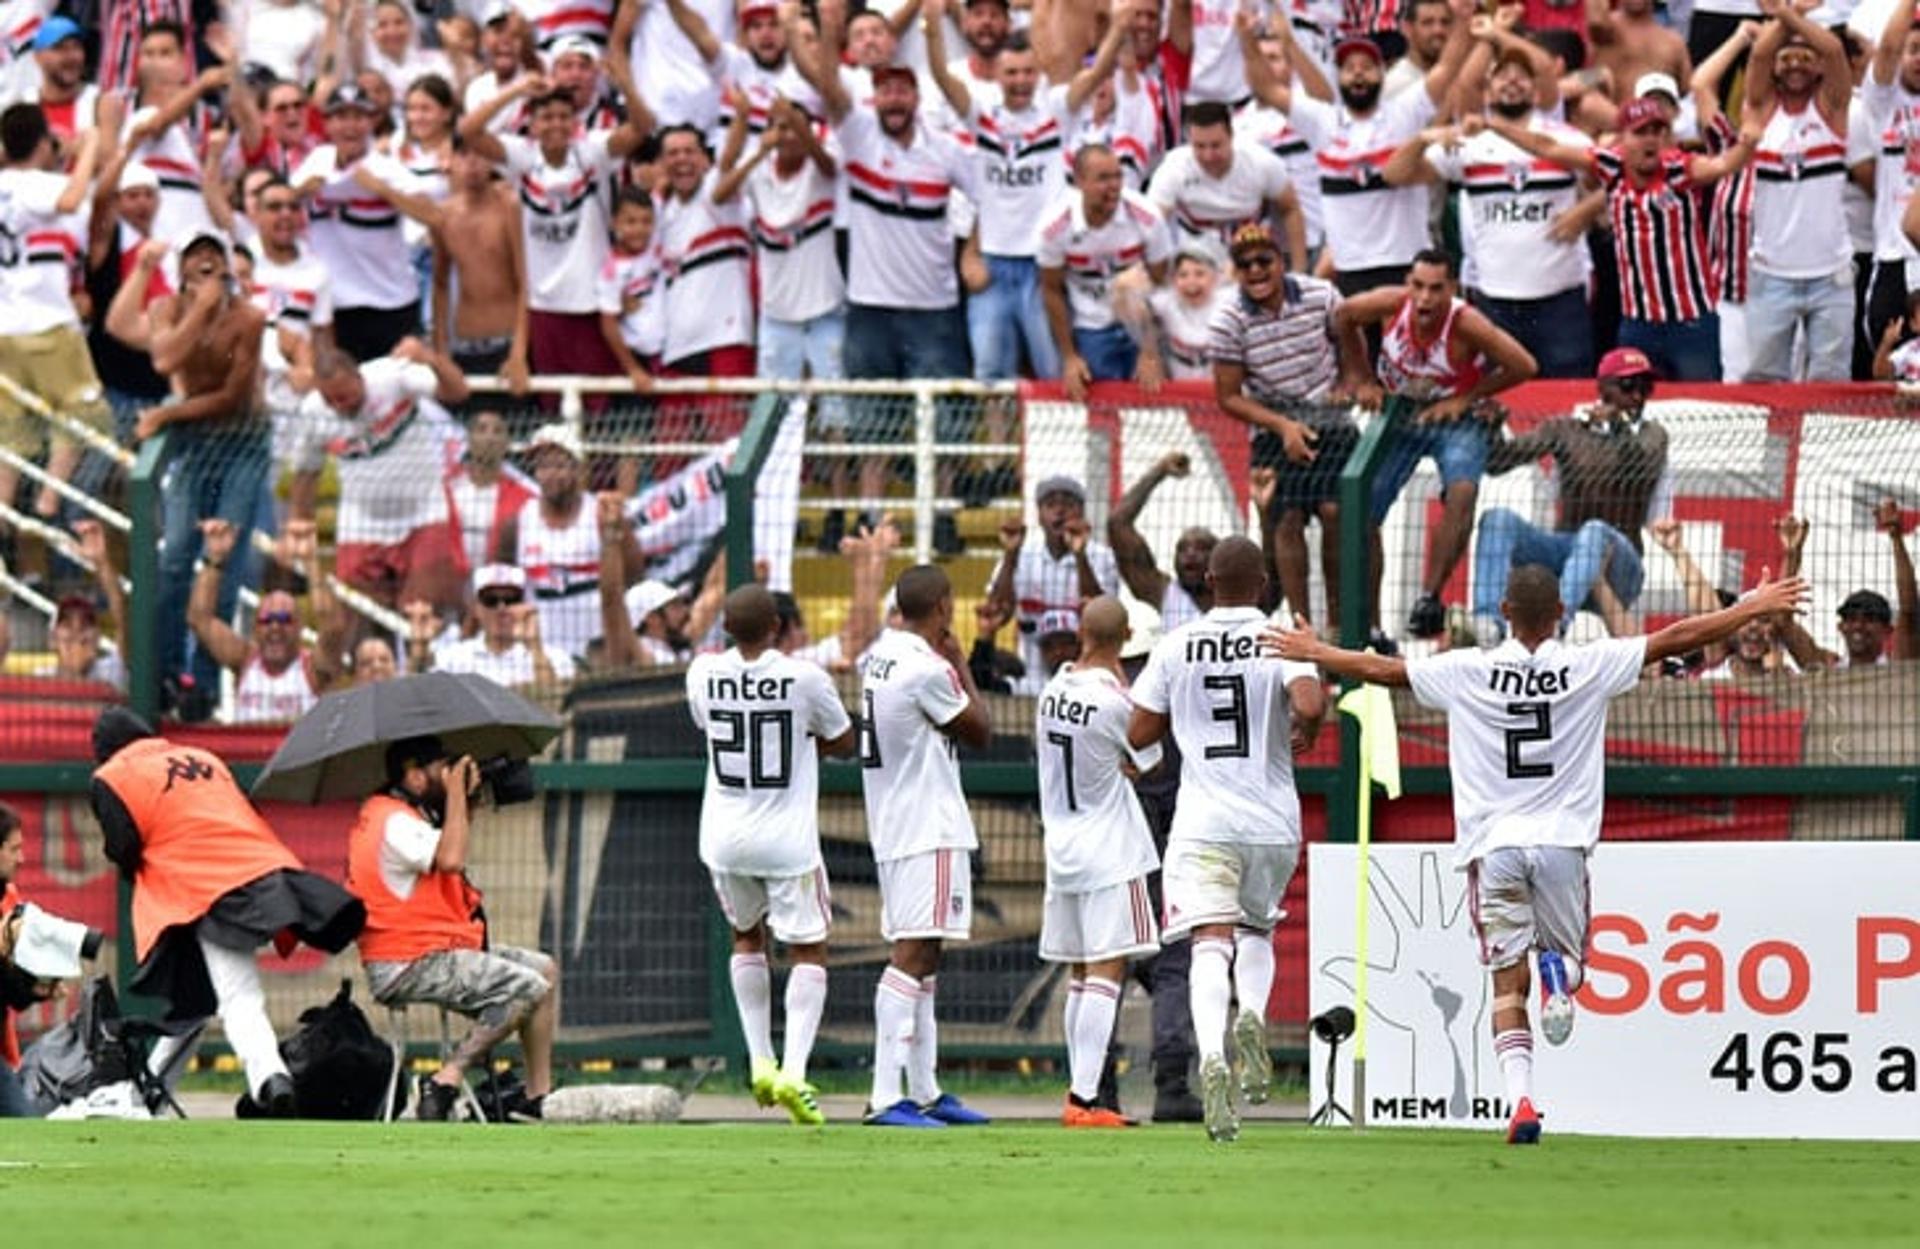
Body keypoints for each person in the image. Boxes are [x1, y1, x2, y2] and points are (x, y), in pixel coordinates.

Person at [1265, 563, 1810, 1144]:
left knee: (1505, 987)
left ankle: (1521, 1102)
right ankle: (1558, 972)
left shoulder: (1466, 670)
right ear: (1561, 615)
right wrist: (1751, 605)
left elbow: (1381, 669)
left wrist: (1314, 650)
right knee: (1571, 974)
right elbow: (1678, 637)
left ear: (1502, 613)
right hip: (1561, 845)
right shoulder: (1588, 663)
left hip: (1494, 847)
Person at [1126, 535, 1325, 1142]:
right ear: (1262, 583)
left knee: (1208, 941)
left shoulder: (1176, 643)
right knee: (1256, 927)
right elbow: (1311, 702)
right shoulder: (1282, 634)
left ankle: (1212, 1055)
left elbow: (1138, 730)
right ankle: (1255, 1016)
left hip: (1203, 817)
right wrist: (1307, 727)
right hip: (1270, 817)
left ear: (1208, 582)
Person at [89, 706, 366, 1118]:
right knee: (196, 1005)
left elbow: (123, 847)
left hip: (199, 885)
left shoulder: (112, 775)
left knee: (238, 994)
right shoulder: (204, 758)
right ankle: (144, 1099)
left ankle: (270, 1077)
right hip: (261, 870)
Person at [687, 583, 857, 1125]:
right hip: (786, 839)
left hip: (724, 835)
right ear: (779, 627)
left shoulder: (702, 673)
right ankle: (794, 1071)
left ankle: (760, 1059)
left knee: (746, 937)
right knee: (809, 950)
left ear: (726, 630)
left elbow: (706, 725)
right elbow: (844, 739)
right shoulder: (806, 677)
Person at [347, 736, 558, 1122]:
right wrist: (458, 793)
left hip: (430, 949)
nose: (449, 776)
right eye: (442, 770)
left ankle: (536, 1095)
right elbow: (452, 857)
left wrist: (467, 799)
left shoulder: (405, 814)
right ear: (414, 777)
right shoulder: (392, 820)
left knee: (543, 969)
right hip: (406, 961)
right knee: (527, 987)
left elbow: (447, 842)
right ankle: (447, 1076)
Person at [1480, 96, 1758, 381]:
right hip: (1638, 323)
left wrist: (1747, 144)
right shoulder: (1610, 166)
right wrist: (1495, 126)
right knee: (1631, 403)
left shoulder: (1680, 170)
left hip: (1691, 321)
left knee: (1701, 407)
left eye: (1657, 131)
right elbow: (1547, 147)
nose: (1650, 140)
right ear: (1622, 138)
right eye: (1640, 132)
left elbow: (1722, 166)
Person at [1335, 249, 1538, 638]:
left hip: (1453, 420)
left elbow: (1524, 365)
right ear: (1407, 284)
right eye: (1418, 287)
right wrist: (1360, 378)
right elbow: (1342, 317)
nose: (1425, 299)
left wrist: (1468, 397)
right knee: (1360, 508)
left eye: (1435, 289)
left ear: (1452, 289)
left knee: (1462, 490)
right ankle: (1371, 627)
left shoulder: (1467, 324)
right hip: (1399, 415)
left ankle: (1429, 596)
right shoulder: (1390, 304)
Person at [857, 564, 993, 1128]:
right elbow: (981, 729)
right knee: (913, 953)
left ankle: (927, 1089)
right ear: (942, 607)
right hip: (926, 825)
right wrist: (961, 660)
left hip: (895, 822)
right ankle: (885, 1096)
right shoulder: (926, 669)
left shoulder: (880, 655)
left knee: (926, 955)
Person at [1386, 40, 1595, 379]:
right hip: (1496, 304)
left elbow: (1618, 179)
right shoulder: (1468, 144)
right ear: (1486, 90)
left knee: (1567, 400)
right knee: (1500, 407)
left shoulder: (1567, 139)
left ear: (1537, 87)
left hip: (1560, 301)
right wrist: (1425, 138)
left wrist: (1584, 211)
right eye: (1502, 75)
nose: (1512, 80)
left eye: (1522, 75)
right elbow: (1395, 174)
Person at [1240, 2, 1473, 298]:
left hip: (1405, 264)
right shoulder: (1323, 122)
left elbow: (1447, 68)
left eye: (1367, 68)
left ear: (1382, 74)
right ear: (1339, 77)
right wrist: (1246, 39)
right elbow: (1268, 90)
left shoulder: (1403, 112)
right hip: (1350, 268)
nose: (1358, 75)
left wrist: (1464, 20)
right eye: (1350, 69)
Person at [1035, 595, 1161, 1128]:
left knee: (1082, 974)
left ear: (1082, 632)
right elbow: (1145, 762)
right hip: (1110, 847)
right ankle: (1085, 1099)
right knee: (1109, 970)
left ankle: (1078, 1092)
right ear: (1127, 637)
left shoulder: (1051, 691)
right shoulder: (1117, 701)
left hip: (1062, 844)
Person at [1209, 222, 1374, 627]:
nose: (1255, 271)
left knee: (1339, 512)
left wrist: (1355, 378)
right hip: (1270, 424)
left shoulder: (1322, 295)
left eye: (1263, 260)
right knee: (1285, 521)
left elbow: (1350, 335)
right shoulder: (1228, 320)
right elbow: (1228, 395)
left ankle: (1340, 625)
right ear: (1236, 271)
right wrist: (1283, 427)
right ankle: (1301, 625)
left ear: (1280, 261)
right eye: (1244, 264)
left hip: (1329, 417)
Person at [140, 230, 271, 706]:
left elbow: (233, 396)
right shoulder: (166, 310)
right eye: (197, 259)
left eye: (216, 259)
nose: (208, 265)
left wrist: (167, 413)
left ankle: (205, 683)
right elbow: (164, 358)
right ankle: (165, 673)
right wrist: (200, 307)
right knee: (174, 554)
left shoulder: (250, 318)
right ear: (181, 274)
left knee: (227, 560)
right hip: (194, 442)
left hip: (243, 440)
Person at [1473, 347, 1671, 643]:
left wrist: (1615, 426)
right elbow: (1497, 462)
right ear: (1602, 387)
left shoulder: (1653, 435)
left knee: (1594, 531)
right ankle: (1488, 625)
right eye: (1629, 386)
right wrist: (1491, 428)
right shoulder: (1565, 428)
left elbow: (1638, 462)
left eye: (1646, 387)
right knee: (1497, 519)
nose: (1638, 396)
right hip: (1566, 554)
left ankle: (1553, 628)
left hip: (1621, 561)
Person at [294, 342, 470, 612]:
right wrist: (299, 522)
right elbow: (306, 472)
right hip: (360, 524)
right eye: (331, 400)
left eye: (345, 396)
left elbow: (458, 391)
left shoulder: (393, 376)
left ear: (359, 377)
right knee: (358, 620)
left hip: (424, 513)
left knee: (420, 612)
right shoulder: (313, 412)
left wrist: (430, 358)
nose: (340, 406)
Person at [0, 102, 107, 529]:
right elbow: (70, 197)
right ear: (43, 141)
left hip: (4, 330)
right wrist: (91, 147)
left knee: (9, 437)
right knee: (87, 411)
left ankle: (5, 525)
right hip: (46, 322)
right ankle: (48, 500)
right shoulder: (33, 183)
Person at [1737, 4, 1854, 383]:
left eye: (1806, 56)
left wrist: (1785, 14)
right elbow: (1759, 53)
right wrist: (1789, 14)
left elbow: (1835, 51)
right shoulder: (1759, 111)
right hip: (1772, 274)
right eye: (1786, 57)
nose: (1795, 65)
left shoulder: (1831, 109)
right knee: (1765, 384)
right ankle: (1774, 448)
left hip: (1830, 276)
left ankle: (1824, 446)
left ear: (1818, 67)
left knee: (1829, 385)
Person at [1037, 143, 1174, 398]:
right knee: (1102, 411)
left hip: (1140, 325)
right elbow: (1051, 290)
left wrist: (1150, 348)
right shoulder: (1054, 228)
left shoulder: (1147, 217)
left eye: (1117, 176)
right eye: (1103, 178)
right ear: (1079, 181)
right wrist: (1069, 356)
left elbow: (1161, 283)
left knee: (1151, 405)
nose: (1113, 186)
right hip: (1092, 327)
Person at [984, 475, 1122, 694]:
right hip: (1032, 677)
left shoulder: (1102, 557)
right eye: (1050, 505)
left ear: (1082, 512)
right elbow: (997, 611)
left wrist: (1080, 556)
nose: (1060, 511)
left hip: (1088, 678)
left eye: (1068, 504)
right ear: (1039, 514)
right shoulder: (1021, 554)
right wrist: (1010, 554)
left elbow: (1103, 617)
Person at [190, 518, 337, 723]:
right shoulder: (245, 659)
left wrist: (311, 562)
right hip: (248, 753)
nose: (275, 627)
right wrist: (214, 559)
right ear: (255, 628)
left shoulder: (313, 668)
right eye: (267, 619)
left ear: (300, 628)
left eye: (284, 619)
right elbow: (199, 619)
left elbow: (332, 627)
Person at [1144, 99, 1304, 265]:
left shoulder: (1261, 162)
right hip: (1194, 256)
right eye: (1199, 146)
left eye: (1216, 145)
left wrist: (1300, 270)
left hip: (1252, 252)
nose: (1208, 156)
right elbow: (1152, 222)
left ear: (1231, 137)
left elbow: (1290, 209)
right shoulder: (1174, 167)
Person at [1107, 451, 1217, 633]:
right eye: (1182, 549)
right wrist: (1160, 471)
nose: (1190, 553)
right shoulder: (1164, 593)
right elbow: (1118, 523)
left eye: (1202, 548)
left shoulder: (1240, 600)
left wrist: (1264, 515)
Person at [431, 565, 577, 690]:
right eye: (491, 600)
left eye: (511, 600)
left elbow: (556, 702)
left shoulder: (556, 658)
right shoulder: (451, 659)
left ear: (526, 604)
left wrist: (535, 648)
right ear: (475, 608)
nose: (501, 608)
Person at [444, 410, 537, 573]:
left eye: (497, 431)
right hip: (450, 582)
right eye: (482, 430)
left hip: (496, 585)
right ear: (469, 441)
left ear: (506, 443)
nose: (490, 438)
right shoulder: (445, 488)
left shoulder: (525, 498)